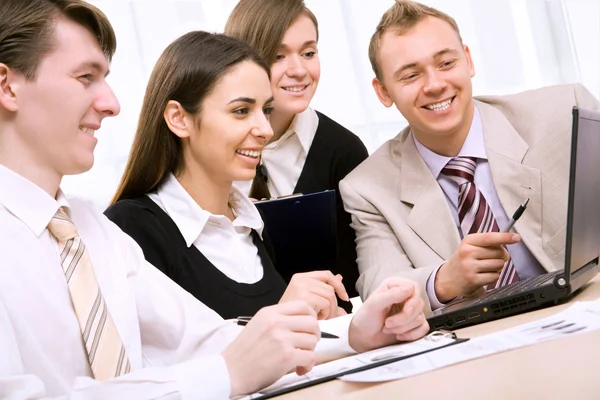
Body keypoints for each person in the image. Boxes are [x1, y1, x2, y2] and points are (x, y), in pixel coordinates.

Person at [0, 1, 429, 398]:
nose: (112, 104)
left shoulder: (91, 230)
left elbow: (204, 338)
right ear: (8, 85)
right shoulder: (123, 225)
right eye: (84, 77)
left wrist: (357, 333)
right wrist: (225, 373)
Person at [339, 0, 600, 314]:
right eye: (411, 76)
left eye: (446, 63)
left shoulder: (564, 112)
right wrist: (443, 281)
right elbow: (381, 290)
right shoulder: (366, 188)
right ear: (383, 92)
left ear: (468, 60)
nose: (435, 85)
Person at [105, 31, 349, 320]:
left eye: (266, 110)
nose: (265, 129)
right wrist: (282, 316)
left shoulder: (251, 225)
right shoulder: (131, 229)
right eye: (241, 111)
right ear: (179, 119)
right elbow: (157, 360)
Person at [224, 0, 369, 300]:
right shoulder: (210, 151)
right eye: (278, 56)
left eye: (309, 53)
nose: (299, 70)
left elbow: (358, 277)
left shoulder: (343, 152)